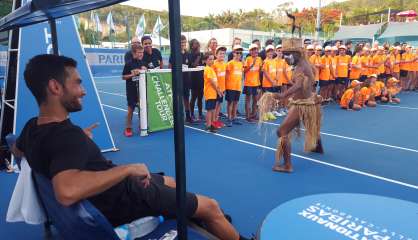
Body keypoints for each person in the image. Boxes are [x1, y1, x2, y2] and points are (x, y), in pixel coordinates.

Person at [14, 54, 248, 240]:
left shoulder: (33, 127)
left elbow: (19, 151)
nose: (83, 90)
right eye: (77, 83)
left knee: (171, 183)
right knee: (212, 206)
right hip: (124, 199)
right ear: (55, 87)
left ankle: (186, 212)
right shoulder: (68, 138)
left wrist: (79, 145)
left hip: (113, 192)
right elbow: (66, 192)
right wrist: (127, 170)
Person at [262, 38, 324, 173]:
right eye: (284, 54)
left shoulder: (301, 67)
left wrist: (282, 95)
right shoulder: (303, 63)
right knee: (310, 124)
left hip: (302, 104)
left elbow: (298, 85)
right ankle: (318, 147)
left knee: (282, 132)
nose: (285, 58)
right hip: (309, 102)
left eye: (287, 54)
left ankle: (287, 165)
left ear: (297, 53)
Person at [168, 35, 195, 124]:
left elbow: (190, 66)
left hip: (186, 80)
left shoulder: (188, 54)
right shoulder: (174, 53)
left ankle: (187, 116)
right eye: (181, 42)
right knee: (177, 99)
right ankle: (177, 117)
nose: (183, 44)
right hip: (177, 80)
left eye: (184, 42)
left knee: (186, 98)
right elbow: (170, 67)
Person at [122, 45, 147, 137]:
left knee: (142, 109)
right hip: (131, 90)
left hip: (141, 90)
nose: (141, 54)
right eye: (139, 52)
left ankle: (142, 125)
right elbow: (123, 77)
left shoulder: (143, 63)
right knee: (130, 109)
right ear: (133, 53)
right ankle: (128, 128)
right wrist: (132, 74)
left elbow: (145, 75)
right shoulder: (128, 64)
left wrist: (145, 70)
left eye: (142, 52)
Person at [203, 52, 222, 133]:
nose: (212, 61)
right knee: (209, 110)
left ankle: (211, 124)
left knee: (212, 109)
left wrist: (219, 90)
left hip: (213, 93)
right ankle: (208, 125)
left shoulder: (211, 69)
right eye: (209, 59)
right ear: (205, 61)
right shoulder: (207, 69)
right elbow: (211, 82)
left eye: (212, 59)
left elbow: (215, 81)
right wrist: (218, 91)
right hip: (210, 92)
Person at [225, 45, 244, 127]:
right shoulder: (230, 64)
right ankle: (229, 118)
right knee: (230, 103)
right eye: (237, 52)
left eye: (240, 53)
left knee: (236, 103)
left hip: (238, 87)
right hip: (230, 87)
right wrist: (226, 87)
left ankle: (234, 117)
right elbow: (226, 75)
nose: (238, 54)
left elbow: (241, 75)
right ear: (233, 53)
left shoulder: (241, 63)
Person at [243, 44, 262, 122]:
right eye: (253, 50)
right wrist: (251, 65)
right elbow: (244, 71)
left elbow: (260, 70)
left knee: (255, 100)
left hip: (256, 83)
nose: (255, 51)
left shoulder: (259, 59)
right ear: (250, 51)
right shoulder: (248, 59)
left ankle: (253, 114)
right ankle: (247, 116)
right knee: (248, 100)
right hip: (248, 83)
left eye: (256, 49)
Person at [188, 39, 205, 121]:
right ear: (191, 45)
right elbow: (194, 65)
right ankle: (191, 114)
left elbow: (203, 64)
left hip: (201, 78)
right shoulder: (190, 54)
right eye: (196, 43)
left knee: (200, 98)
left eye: (198, 43)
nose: (198, 44)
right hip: (193, 79)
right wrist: (198, 56)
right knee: (193, 97)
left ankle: (200, 114)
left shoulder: (201, 54)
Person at [212, 46, 227, 128]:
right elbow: (213, 79)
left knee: (219, 105)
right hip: (216, 89)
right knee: (215, 105)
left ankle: (216, 120)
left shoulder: (224, 64)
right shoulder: (214, 64)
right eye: (220, 53)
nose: (222, 55)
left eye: (223, 54)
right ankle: (213, 121)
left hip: (222, 89)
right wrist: (217, 89)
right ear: (216, 54)